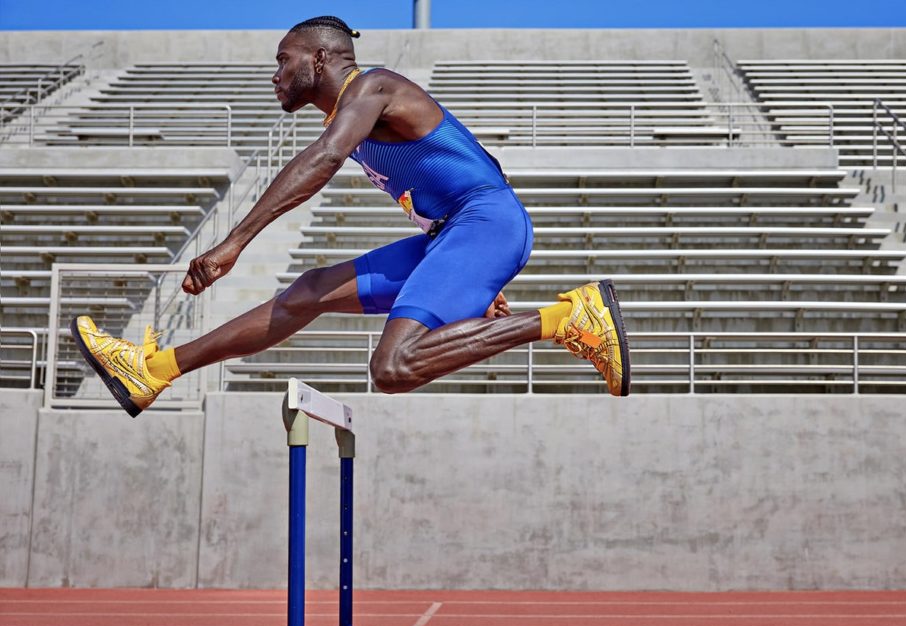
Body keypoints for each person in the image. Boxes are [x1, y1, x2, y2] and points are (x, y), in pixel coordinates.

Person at [72, 15, 630, 417]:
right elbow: (477, 165)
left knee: (393, 368)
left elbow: (325, 159)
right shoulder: (355, 116)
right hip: (457, 234)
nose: (275, 74)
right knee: (309, 290)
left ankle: (565, 320)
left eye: (283, 60)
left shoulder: (374, 88)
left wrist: (234, 242)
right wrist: (466, 275)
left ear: (318, 58)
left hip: (481, 223)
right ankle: (153, 372)